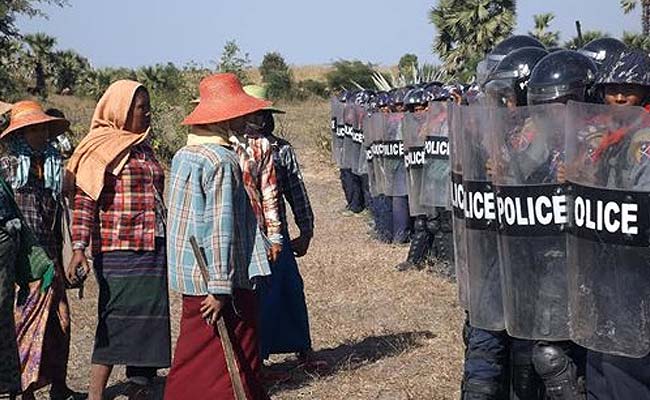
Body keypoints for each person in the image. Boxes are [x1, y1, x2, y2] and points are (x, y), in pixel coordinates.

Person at [164, 73, 272, 400]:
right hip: (220, 278)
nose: (245, 118)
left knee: (194, 358)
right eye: (240, 112)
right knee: (228, 363)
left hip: (193, 276)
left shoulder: (184, 155)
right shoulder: (222, 160)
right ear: (224, 117)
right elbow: (219, 227)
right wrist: (221, 288)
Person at [66, 80, 171, 400]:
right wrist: (79, 248)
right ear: (121, 110)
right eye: (141, 107)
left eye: (148, 106)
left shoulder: (143, 146)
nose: (148, 113)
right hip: (118, 247)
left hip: (152, 243)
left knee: (149, 319)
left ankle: (140, 384)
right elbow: (85, 202)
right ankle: (96, 393)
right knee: (116, 318)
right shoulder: (100, 149)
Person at [570, 49, 650, 400]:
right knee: (600, 362)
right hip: (604, 263)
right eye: (611, 88)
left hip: (634, 268)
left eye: (628, 89)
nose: (618, 97)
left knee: (625, 369)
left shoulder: (643, 141)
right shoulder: (606, 138)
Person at [243, 85, 326, 370]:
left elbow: (296, 192)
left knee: (290, 290)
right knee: (254, 297)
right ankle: (257, 357)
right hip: (244, 237)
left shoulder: (281, 149)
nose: (261, 120)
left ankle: (302, 348)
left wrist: (306, 230)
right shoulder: (232, 148)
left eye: (264, 113)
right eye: (255, 113)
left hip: (275, 234)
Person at [0, 100, 79, 400]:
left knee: (61, 320)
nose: (42, 133)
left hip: (51, 253)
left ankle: (59, 384)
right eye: (35, 128)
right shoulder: (7, 168)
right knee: (27, 321)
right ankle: (26, 388)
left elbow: (62, 211)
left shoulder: (54, 167)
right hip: (22, 256)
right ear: (21, 133)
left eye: (44, 127)